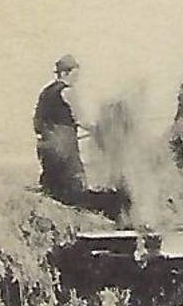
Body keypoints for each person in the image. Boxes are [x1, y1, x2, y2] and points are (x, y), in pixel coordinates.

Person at [33, 56, 127, 221]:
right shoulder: (67, 91)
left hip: (46, 145)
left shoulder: (46, 92)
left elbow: (38, 121)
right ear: (64, 73)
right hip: (64, 146)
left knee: (55, 186)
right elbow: (81, 119)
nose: (77, 79)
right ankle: (111, 212)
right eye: (75, 75)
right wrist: (99, 130)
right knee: (75, 190)